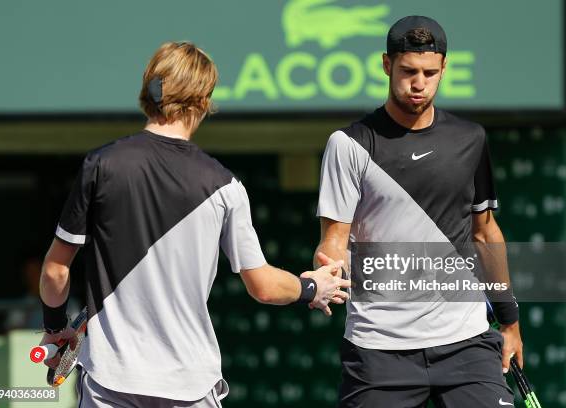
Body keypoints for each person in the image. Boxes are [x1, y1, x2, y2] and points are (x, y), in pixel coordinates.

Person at [38, 41, 350, 408]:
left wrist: (56, 327)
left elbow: (56, 272)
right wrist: (311, 287)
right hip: (190, 385)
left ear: (148, 90)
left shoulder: (100, 166)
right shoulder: (226, 186)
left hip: (110, 384)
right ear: (204, 102)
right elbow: (263, 286)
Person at [314, 16, 523, 407]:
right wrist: (329, 270)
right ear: (386, 65)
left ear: (444, 69)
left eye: (430, 72)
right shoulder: (347, 145)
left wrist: (509, 321)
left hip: (467, 343)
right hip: (379, 349)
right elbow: (334, 240)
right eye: (408, 71)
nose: (418, 83)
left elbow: (485, 234)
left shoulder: (471, 139)